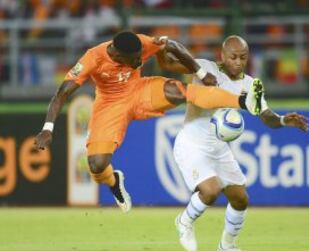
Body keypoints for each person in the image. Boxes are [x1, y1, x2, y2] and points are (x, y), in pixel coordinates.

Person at [33, 31, 264, 213]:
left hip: (139, 91)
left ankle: (242, 101)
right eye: (134, 60)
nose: (139, 61)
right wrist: (47, 127)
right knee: (96, 164)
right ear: (117, 55)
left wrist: (201, 73)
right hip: (110, 105)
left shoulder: (141, 44)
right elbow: (62, 93)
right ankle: (115, 182)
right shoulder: (92, 58)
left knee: (178, 91)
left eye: (140, 57)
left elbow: (171, 45)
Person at [169, 36, 309, 251]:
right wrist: (164, 48)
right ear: (222, 56)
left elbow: (266, 116)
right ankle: (184, 221)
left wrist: (283, 120)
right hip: (191, 144)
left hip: (219, 148)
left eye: (243, 57)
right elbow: (170, 63)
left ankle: (227, 246)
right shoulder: (205, 69)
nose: (238, 61)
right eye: (233, 57)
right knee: (210, 190)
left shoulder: (250, 85)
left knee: (240, 198)